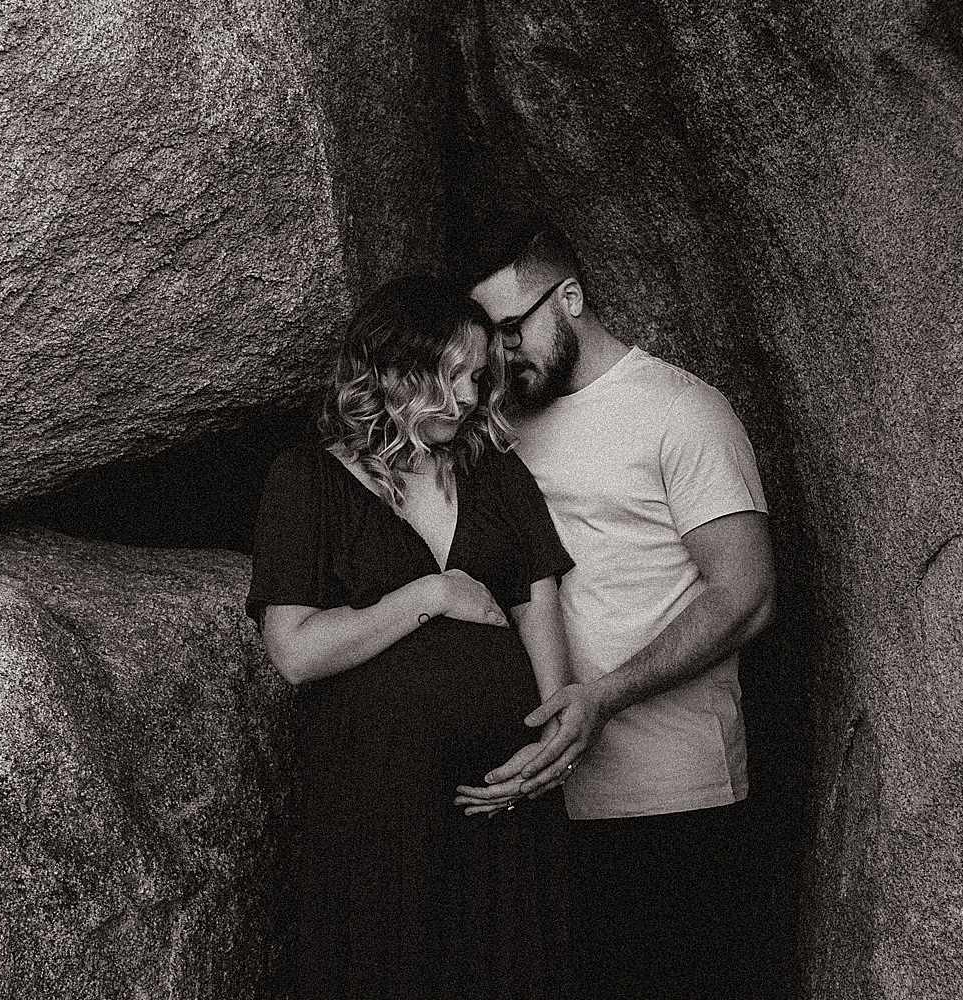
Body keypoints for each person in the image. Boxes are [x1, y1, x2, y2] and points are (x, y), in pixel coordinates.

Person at [453, 220, 777, 999]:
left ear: (570, 297)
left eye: (510, 330)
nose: (501, 356)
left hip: (671, 792)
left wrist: (605, 696)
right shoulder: (498, 425)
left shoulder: (680, 411)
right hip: (536, 798)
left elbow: (749, 595)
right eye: (485, 338)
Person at [245, 275, 578, 999]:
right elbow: (295, 650)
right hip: (381, 809)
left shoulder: (495, 473)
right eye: (449, 374)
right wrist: (430, 595)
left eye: (476, 375)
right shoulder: (305, 481)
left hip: (503, 797)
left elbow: (538, 604)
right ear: (392, 371)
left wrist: (548, 738)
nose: (467, 396)